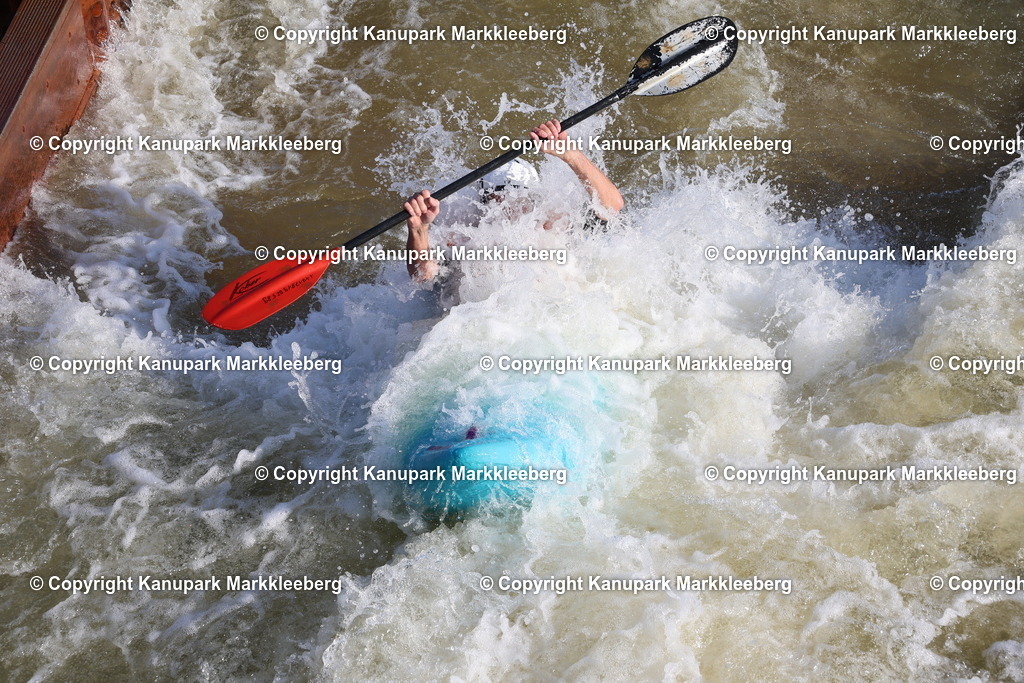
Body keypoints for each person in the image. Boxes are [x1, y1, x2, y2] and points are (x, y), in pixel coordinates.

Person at [405, 119, 624, 281]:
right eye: (497, 198)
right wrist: (419, 230)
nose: (509, 206)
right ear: (484, 204)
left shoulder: (557, 228)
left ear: (535, 198)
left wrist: (571, 155)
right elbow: (422, 275)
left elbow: (611, 207)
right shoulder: (467, 239)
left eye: (520, 196)